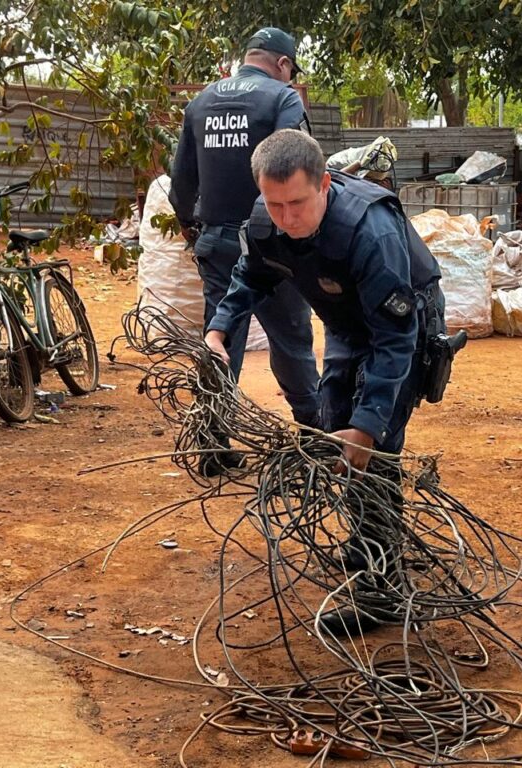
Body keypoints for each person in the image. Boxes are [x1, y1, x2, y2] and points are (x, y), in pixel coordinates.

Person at [205, 129, 457, 637]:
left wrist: (368, 426)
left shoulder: (370, 233)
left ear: (323, 185)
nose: (286, 218)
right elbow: (251, 275)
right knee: (333, 423)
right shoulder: (267, 220)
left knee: (374, 447)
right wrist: (219, 328)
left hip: (403, 323)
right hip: (344, 321)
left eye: (297, 203)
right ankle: (368, 542)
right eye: (274, 204)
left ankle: (381, 590)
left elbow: (394, 340)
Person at [169, 27, 321, 473]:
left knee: (221, 338)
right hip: (272, 243)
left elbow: (182, 180)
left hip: (217, 239)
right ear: (283, 64)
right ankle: (315, 437)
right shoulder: (283, 99)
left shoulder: (200, 102)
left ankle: (211, 445)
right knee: (291, 338)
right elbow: (293, 167)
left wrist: (189, 223)